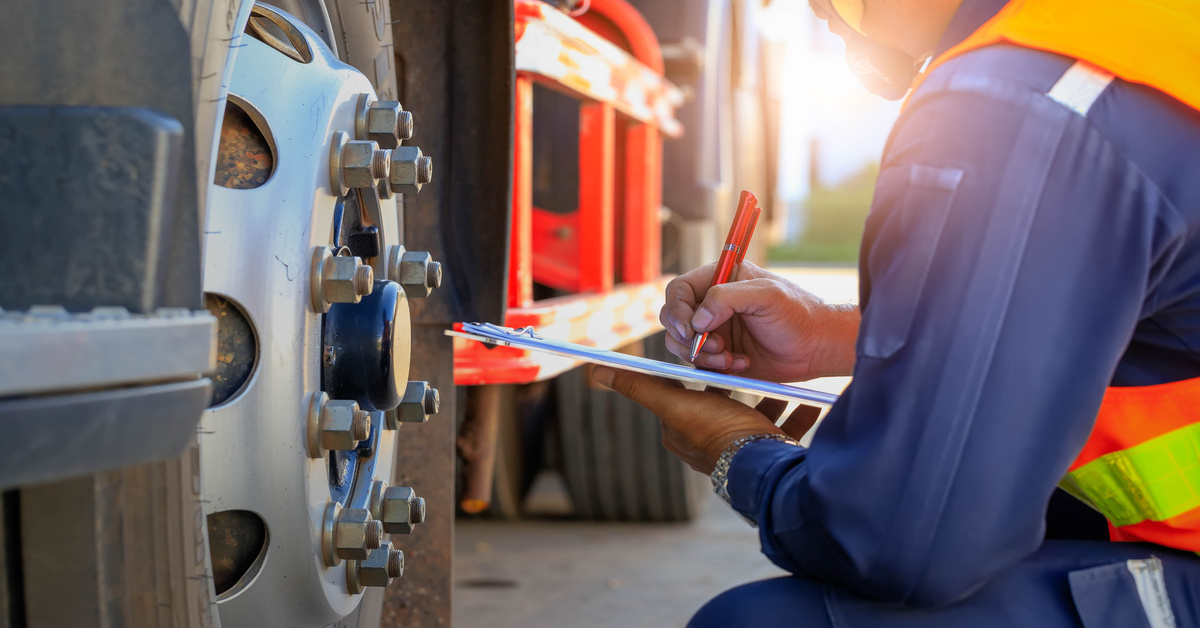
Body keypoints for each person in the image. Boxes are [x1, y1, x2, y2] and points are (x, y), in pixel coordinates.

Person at [591, 0, 1200, 625]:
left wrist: (736, 453)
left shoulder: (1029, 102)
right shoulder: (1129, 42)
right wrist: (833, 334)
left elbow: (909, 545)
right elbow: (1124, 325)